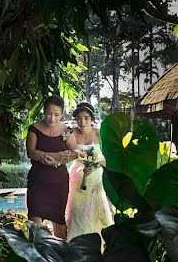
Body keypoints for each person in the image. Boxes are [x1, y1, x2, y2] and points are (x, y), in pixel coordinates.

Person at [25, 95, 78, 239]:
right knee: (34, 219)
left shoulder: (67, 131)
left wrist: (59, 161)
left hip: (58, 183)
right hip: (38, 181)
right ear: (44, 111)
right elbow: (31, 152)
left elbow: (75, 153)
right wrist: (55, 156)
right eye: (49, 114)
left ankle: (60, 256)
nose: (52, 119)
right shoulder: (34, 128)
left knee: (59, 222)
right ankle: (39, 252)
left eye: (56, 115)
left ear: (62, 114)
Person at [65, 101, 113, 242]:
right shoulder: (71, 134)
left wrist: (95, 165)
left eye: (86, 118)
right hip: (77, 177)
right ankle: (76, 243)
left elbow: (108, 158)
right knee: (78, 211)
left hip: (96, 176)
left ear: (92, 120)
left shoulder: (99, 134)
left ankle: (100, 243)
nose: (82, 121)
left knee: (97, 209)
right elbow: (69, 154)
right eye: (79, 118)